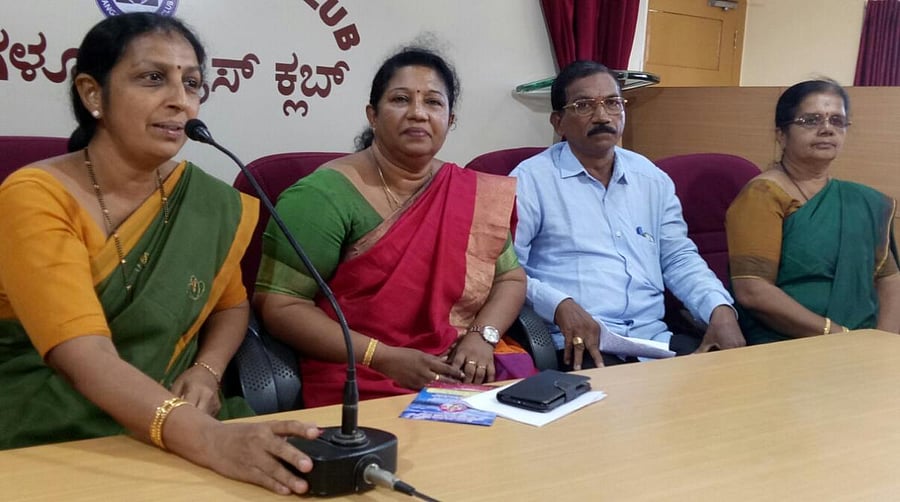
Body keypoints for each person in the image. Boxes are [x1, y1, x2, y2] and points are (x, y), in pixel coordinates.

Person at [0, 13, 321, 495]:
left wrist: (207, 373)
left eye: (192, 83)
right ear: (93, 94)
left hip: (180, 420)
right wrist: (212, 442)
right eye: (153, 78)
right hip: (51, 425)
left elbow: (231, 305)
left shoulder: (207, 201)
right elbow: (82, 356)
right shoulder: (37, 196)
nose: (180, 101)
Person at [253, 47, 536, 408]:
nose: (418, 113)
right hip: (365, 370)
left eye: (433, 102)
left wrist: (483, 336)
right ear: (373, 115)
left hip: (462, 362)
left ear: (449, 120)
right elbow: (281, 306)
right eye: (401, 99)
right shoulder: (321, 196)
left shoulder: (470, 192)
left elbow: (510, 278)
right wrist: (383, 357)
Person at [511, 60, 745, 370]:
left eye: (612, 103)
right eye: (583, 105)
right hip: (576, 344)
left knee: (731, 383)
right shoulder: (529, 181)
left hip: (653, 340)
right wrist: (559, 305)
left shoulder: (651, 178)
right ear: (558, 122)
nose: (602, 115)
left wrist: (720, 309)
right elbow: (507, 272)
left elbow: (678, 258)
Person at [726, 79, 900, 344]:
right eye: (811, 120)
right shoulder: (763, 195)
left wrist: (883, 345)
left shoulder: (862, 201)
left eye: (837, 121)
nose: (827, 129)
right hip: (790, 343)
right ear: (781, 134)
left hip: (864, 342)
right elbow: (753, 290)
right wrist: (838, 335)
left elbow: (890, 281)